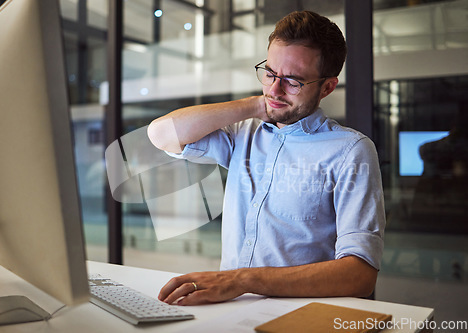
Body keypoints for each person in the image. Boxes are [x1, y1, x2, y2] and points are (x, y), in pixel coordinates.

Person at [147, 10, 385, 306]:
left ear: (327, 87)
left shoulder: (351, 150)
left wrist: (243, 280)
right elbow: (161, 135)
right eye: (270, 73)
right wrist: (256, 106)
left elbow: (360, 275)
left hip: (301, 316)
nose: (274, 89)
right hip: (230, 310)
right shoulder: (243, 133)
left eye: (293, 81)